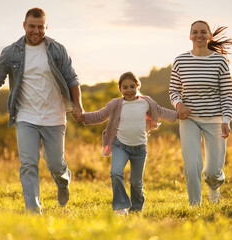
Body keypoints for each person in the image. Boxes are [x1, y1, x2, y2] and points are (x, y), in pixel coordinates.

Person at [0, 8, 84, 214]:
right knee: (28, 164)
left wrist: (78, 106)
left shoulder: (57, 50)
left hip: (54, 116)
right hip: (25, 116)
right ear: (24, 25)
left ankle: (63, 181)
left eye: (40, 27)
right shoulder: (11, 52)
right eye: (32, 26)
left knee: (54, 163)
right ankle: (33, 211)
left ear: (46, 27)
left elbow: (72, 80)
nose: (36, 31)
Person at [76, 72, 178, 215]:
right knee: (116, 173)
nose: (129, 90)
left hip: (140, 149)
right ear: (120, 89)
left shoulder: (146, 102)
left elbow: (161, 111)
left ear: (138, 86)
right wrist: (84, 117)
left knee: (136, 182)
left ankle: (136, 209)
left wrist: (178, 114)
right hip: (120, 146)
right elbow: (100, 115)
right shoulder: (116, 104)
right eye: (125, 87)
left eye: (132, 86)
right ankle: (120, 206)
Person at [169, 20, 232, 206]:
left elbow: (227, 94)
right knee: (192, 167)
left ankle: (214, 185)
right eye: (195, 32)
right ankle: (195, 206)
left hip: (215, 119)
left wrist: (226, 119)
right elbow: (173, 90)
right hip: (189, 119)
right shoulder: (180, 60)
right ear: (190, 36)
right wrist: (179, 105)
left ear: (210, 35)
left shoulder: (219, 61)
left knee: (213, 171)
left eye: (203, 32)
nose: (199, 35)